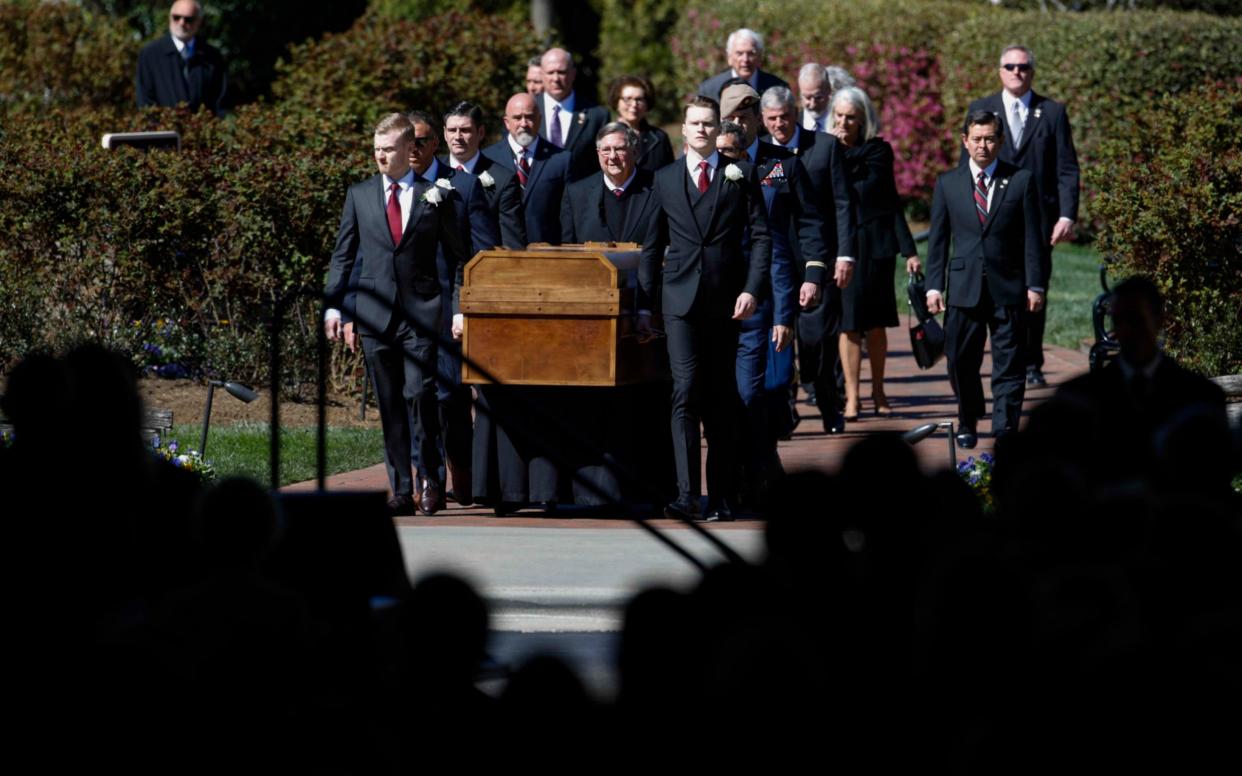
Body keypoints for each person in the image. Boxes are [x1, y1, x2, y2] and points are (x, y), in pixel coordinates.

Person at [323, 113, 469, 515]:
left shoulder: (435, 194)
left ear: (411, 149)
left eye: (388, 149)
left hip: (421, 313)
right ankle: (402, 489)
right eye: (376, 149)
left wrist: (457, 309)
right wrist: (336, 306)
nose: (380, 157)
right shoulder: (360, 194)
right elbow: (344, 254)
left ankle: (432, 481)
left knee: (420, 395)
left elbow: (460, 259)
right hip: (375, 315)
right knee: (389, 403)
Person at [638, 96, 771, 522]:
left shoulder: (741, 175)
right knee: (685, 389)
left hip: (726, 299)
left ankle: (722, 496)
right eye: (694, 123)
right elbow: (652, 245)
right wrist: (646, 303)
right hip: (678, 300)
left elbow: (763, 237)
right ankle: (684, 494)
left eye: (707, 123)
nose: (700, 129)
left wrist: (752, 289)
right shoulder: (665, 178)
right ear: (683, 128)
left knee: (721, 397)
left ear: (718, 128)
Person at [926, 109, 1043, 449]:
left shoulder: (1021, 181)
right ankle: (968, 417)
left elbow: (1033, 238)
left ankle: (1004, 428)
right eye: (976, 139)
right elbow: (938, 240)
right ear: (965, 141)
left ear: (1000, 141)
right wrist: (934, 285)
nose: (983, 146)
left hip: (1009, 287)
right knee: (960, 360)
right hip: (963, 289)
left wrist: (1035, 284)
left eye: (990, 139)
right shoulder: (948, 184)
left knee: (1009, 364)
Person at [967, 45, 1080, 388]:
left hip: (1038, 221)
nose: (1017, 71)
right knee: (990, 291)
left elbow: (1066, 168)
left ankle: (1032, 362)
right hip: (993, 219)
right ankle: (1003, 360)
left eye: (1024, 66)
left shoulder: (1052, 112)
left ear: (1032, 71)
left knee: (1034, 290)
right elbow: (968, 166)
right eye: (1010, 66)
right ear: (1000, 70)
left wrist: (1067, 214)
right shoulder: (981, 108)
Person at [757, 85, 857, 433]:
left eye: (785, 117)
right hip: (781, 260)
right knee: (781, 337)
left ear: (795, 113)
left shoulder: (825, 146)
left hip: (821, 257)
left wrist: (844, 254)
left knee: (816, 341)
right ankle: (786, 410)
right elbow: (773, 210)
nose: (779, 124)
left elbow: (843, 202)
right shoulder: (766, 156)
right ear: (763, 120)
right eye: (772, 119)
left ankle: (828, 402)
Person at [827, 87, 921, 420]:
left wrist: (908, 249)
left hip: (877, 245)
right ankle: (852, 397)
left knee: (877, 323)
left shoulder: (878, 151)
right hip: (843, 247)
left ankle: (879, 390)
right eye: (838, 116)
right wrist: (832, 150)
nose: (843, 122)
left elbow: (889, 198)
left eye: (850, 117)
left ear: (862, 119)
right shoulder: (828, 150)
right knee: (849, 323)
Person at [482, 92, 572, 245]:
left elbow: (568, 215)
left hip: (547, 254)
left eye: (529, 117)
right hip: (500, 255)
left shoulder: (561, 159)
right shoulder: (487, 159)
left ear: (539, 119)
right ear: (506, 122)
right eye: (517, 118)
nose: (523, 123)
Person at [442, 101, 526, 250]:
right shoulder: (430, 172)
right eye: (452, 130)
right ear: (444, 134)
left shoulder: (503, 180)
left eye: (465, 130)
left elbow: (511, 243)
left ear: (480, 132)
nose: (457, 136)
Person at [560, 123, 659, 247]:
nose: (612, 156)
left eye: (619, 149)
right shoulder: (576, 194)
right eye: (606, 150)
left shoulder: (659, 188)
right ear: (598, 153)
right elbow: (569, 250)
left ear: (634, 152)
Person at [135, 0, 227, 115]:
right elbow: (145, 100)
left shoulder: (212, 57)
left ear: (198, 22)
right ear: (169, 18)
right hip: (165, 129)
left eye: (188, 19)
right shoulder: (150, 55)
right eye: (176, 17)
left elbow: (220, 100)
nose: (181, 23)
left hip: (204, 130)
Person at [538, 48, 611, 182]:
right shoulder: (527, 112)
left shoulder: (597, 115)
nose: (555, 78)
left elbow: (605, 164)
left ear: (573, 74)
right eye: (550, 72)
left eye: (561, 72)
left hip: (581, 198)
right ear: (541, 75)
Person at [698, 28, 789, 101]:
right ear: (729, 57)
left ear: (759, 57)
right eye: (739, 53)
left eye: (751, 54)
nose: (745, 60)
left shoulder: (777, 87)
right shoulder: (709, 90)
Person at [608, 75, 675, 173]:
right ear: (617, 102)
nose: (634, 104)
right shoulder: (604, 137)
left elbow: (669, 174)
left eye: (639, 99)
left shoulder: (660, 138)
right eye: (628, 99)